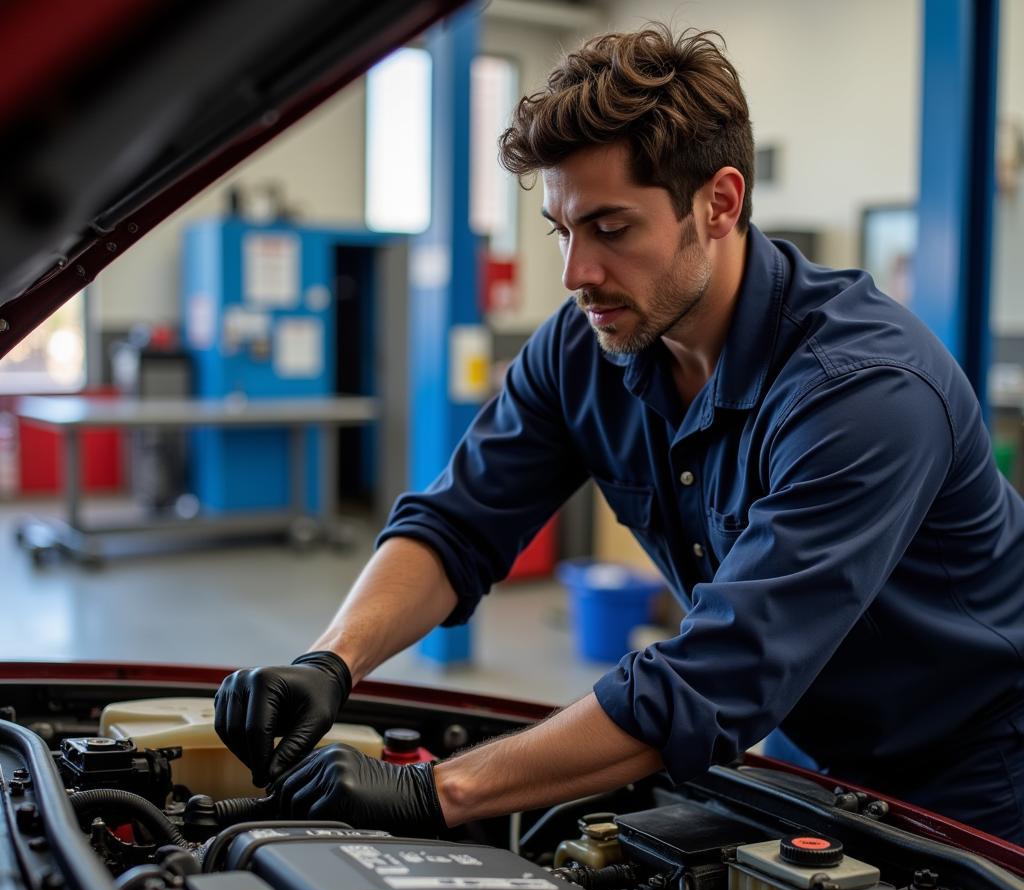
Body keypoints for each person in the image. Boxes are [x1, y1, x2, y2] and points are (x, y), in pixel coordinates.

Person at [215, 25, 1024, 843]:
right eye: (561, 231)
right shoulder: (587, 347)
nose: (575, 275)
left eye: (610, 228)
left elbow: (720, 676)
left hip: (982, 770)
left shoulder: (864, 394)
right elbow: (458, 522)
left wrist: (437, 793)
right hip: (807, 743)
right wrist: (332, 661)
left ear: (720, 202)